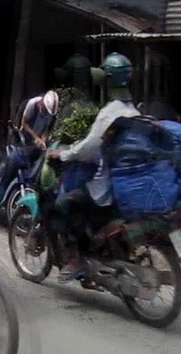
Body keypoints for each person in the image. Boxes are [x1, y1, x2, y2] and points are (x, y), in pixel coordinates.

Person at [49, 52, 140, 282]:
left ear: (107, 81)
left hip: (105, 185)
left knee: (64, 203)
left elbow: (89, 148)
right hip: (126, 183)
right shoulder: (135, 111)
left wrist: (64, 155)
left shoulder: (108, 113)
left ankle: (77, 258)